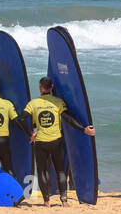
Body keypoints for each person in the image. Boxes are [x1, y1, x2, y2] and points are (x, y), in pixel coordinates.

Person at [23, 76, 94, 205]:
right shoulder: (58, 102)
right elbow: (68, 118)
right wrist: (84, 129)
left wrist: (30, 134)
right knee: (60, 170)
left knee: (42, 171)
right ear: (52, 88)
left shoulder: (32, 104)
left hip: (41, 142)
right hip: (56, 141)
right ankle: (64, 200)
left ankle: (46, 201)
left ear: (40, 88)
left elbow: (21, 119)